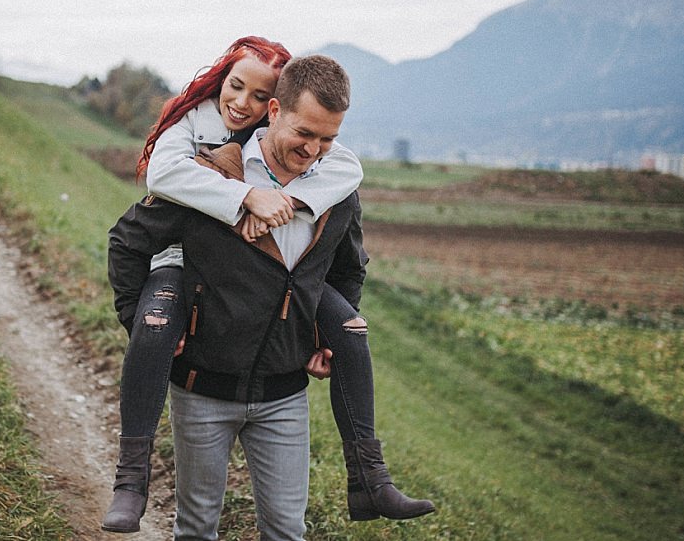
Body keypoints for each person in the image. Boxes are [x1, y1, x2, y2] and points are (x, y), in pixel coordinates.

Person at [101, 42, 434, 534]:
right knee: (195, 529)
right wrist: (141, 321)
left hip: (284, 396)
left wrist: (324, 338)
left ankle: (369, 478)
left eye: (327, 139)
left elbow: (347, 269)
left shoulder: (335, 189)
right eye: (304, 133)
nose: (313, 150)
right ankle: (130, 482)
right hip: (203, 390)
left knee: (286, 532)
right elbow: (128, 242)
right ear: (274, 111)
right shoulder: (212, 172)